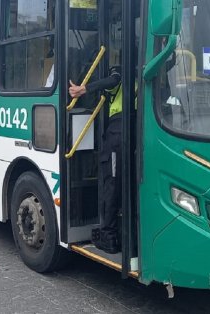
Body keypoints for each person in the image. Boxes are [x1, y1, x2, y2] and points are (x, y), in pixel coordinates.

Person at [69, 65, 122, 254]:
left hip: (117, 134)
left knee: (111, 184)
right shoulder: (141, 73)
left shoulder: (120, 75)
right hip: (133, 132)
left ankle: (109, 235)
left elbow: (113, 80)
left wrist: (83, 89)